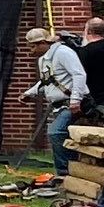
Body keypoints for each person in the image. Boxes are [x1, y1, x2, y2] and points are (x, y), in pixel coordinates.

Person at [24, 27, 88, 174]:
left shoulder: (63, 52)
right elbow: (47, 80)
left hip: (72, 103)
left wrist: (75, 100)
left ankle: (65, 172)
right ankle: (71, 169)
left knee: (56, 132)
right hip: (59, 106)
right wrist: (30, 93)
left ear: (43, 43)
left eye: (33, 46)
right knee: (66, 136)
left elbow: (79, 75)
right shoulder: (44, 59)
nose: (31, 51)